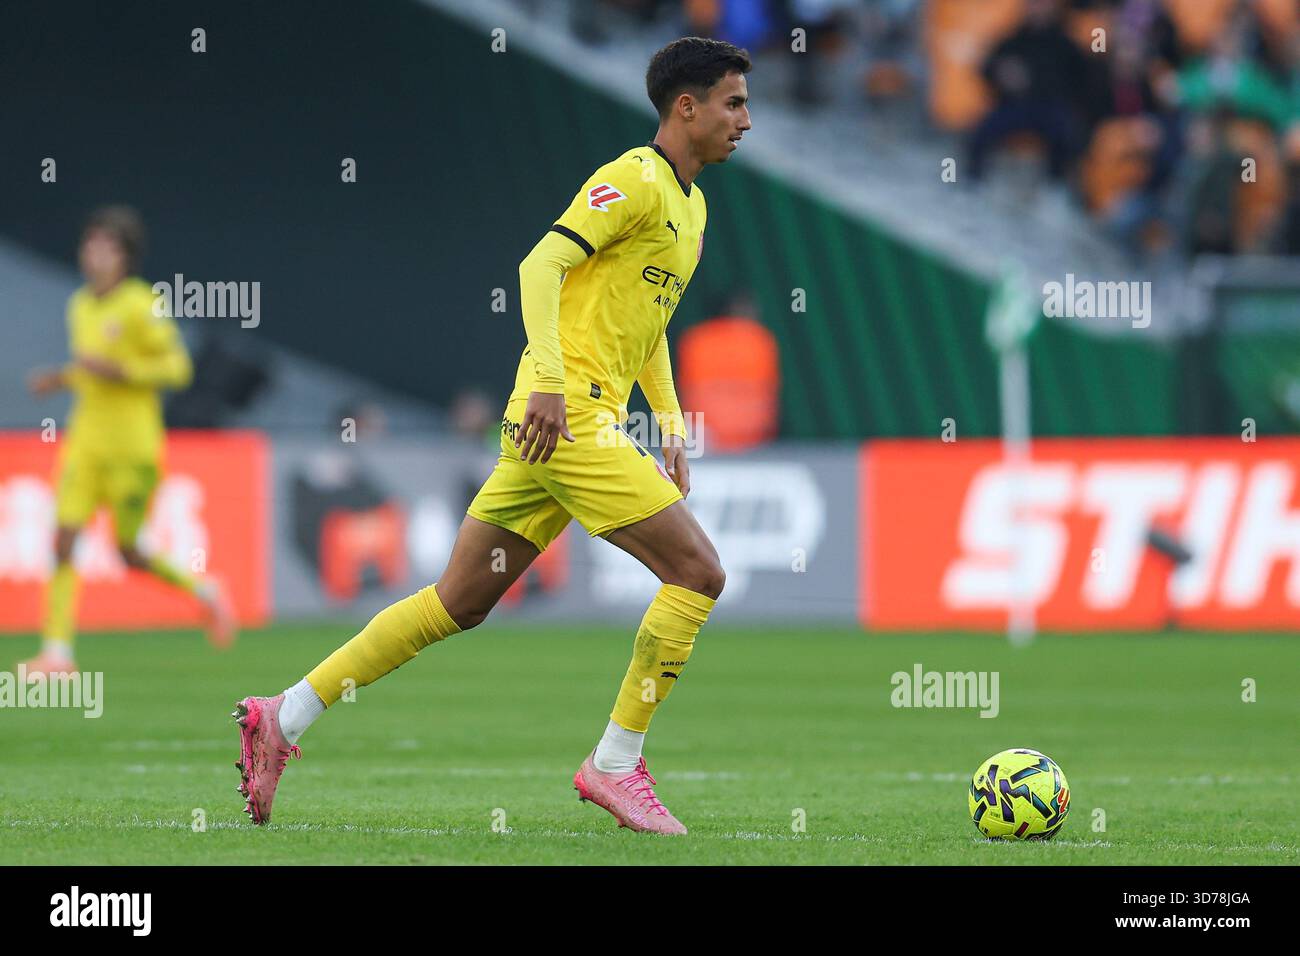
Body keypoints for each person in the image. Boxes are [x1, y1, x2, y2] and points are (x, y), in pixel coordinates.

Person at [232, 37, 752, 835]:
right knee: (699, 573)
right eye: (733, 103)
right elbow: (538, 266)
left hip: (565, 425)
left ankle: (284, 715)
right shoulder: (634, 179)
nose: (744, 121)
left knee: (456, 603)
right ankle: (616, 764)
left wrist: (671, 425)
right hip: (566, 413)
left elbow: (647, 327)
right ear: (687, 107)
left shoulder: (694, 206)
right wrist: (547, 378)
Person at [23, 206, 236, 676]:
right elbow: (89, 368)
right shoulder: (79, 304)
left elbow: (177, 368)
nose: (95, 254)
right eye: (90, 243)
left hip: (133, 449)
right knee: (63, 538)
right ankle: (57, 654)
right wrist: (58, 379)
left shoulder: (143, 304)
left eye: (107, 247)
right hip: (86, 441)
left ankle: (207, 592)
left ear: (125, 257)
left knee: (129, 551)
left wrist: (122, 371)